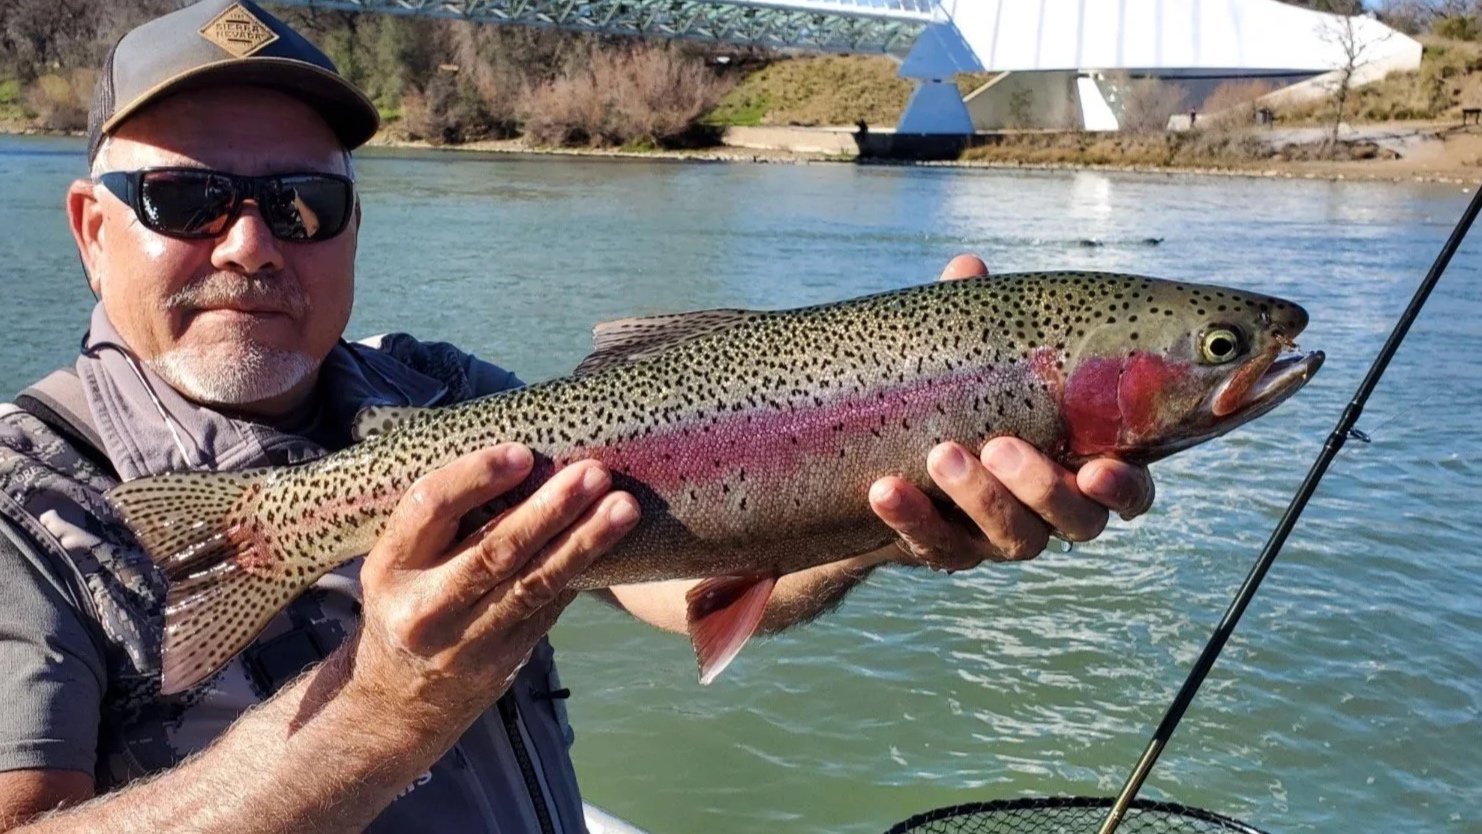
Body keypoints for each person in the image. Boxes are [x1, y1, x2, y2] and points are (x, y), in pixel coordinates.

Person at [0, 1, 1156, 831]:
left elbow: (680, 586)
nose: (249, 244)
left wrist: (887, 500)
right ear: (90, 228)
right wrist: (382, 709)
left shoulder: (450, 399)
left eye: (302, 202)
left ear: (351, 226)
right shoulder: (25, 502)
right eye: (186, 199)